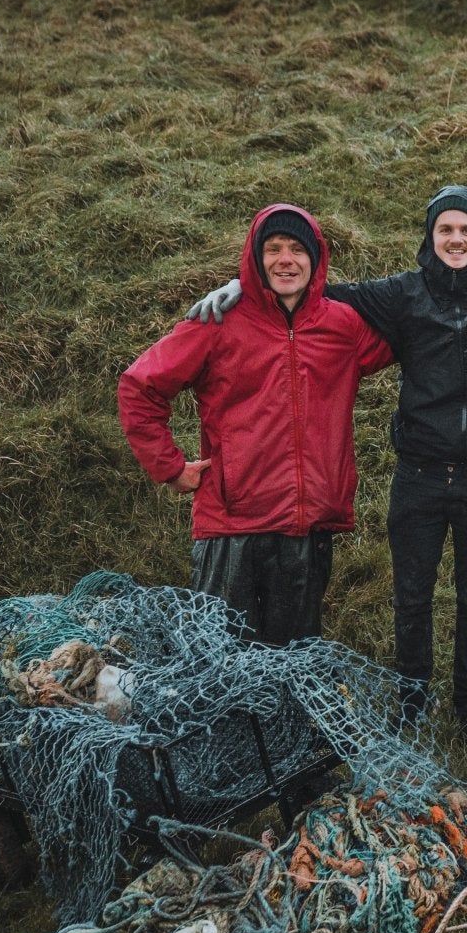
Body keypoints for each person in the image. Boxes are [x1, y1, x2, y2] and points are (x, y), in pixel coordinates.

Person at [185, 186, 467, 739]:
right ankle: (412, 706)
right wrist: (245, 287)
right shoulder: (402, 294)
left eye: (466, 231)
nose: (455, 240)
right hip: (419, 476)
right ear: (430, 237)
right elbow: (319, 289)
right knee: (412, 597)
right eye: (445, 230)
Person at [120, 204, 392, 644]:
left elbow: (417, 329)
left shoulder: (343, 327)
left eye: (297, 249)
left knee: (292, 667)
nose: (286, 259)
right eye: (273, 249)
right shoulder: (217, 321)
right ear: (255, 258)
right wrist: (169, 468)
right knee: (222, 665)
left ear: (316, 258)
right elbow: (140, 387)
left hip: (307, 527)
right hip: (232, 527)